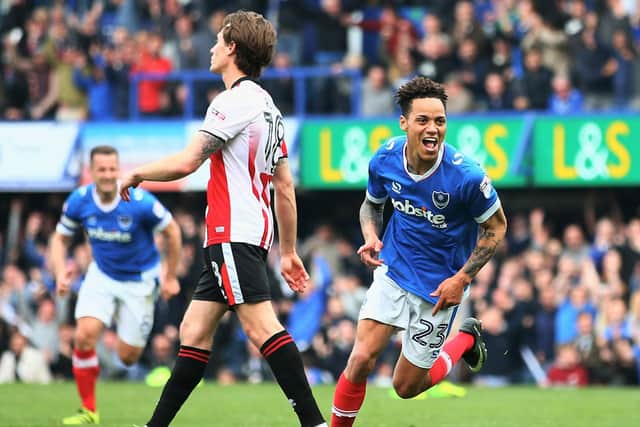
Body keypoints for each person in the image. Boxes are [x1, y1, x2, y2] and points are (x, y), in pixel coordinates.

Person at [119, 11, 327, 427]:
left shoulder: (232, 102)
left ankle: (315, 423)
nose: (212, 47)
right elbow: (284, 187)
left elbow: (187, 162)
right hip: (247, 232)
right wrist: (286, 251)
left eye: (218, 40)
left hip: (232, 231)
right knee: (193, 331)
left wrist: (140, 172)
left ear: (232, 48)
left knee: (260, 327)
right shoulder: (270, 109)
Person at [330, 76, 508, 426]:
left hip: (439, 289)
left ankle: (465, 341)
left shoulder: (466, 177)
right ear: (404, 123)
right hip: (394, 271)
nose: (433, 129)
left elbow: (496, 227)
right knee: (360, 359)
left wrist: (461, 279)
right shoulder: (385, 158)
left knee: (406, 387)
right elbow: (371, 205)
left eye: (440, 121)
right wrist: (370, 234)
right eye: (423, 120)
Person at [50, 145, 182, 425]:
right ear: (91, 172)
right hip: (102, 275)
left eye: (112, 169)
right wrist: (61, 272)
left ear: (118, 170)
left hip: (140, 282)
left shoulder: (140, 202)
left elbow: (172, 231)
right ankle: (89, 411)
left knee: (128, 356)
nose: (108, 175)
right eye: (102, 169)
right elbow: (60, 238)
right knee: (83, 336)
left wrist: (169, 277)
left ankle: (124, 324)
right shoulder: (79, 200)